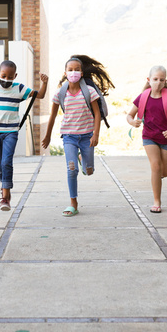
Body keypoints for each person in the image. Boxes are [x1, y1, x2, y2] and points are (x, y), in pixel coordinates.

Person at [41, 55, 114, 216]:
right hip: (69, 137)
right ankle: (73, 203)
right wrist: (47, 136)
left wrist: (96, 134)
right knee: (71, 169)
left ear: (81, 73)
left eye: (77, 70)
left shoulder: (89, 91)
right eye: (70, 70)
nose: (73, 72)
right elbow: (52, 116)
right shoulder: (60, 93)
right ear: (65, 72)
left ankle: (83, 160)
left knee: (89, 171)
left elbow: (97, 113)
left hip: (87, 136)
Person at [0, 61, 48, 210]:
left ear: (15, 76)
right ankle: (4, 184)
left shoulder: (19, 88)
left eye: (10, 77)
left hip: (11, 132)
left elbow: (40, 95)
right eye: (4, 75)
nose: (6, 79)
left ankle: (5, 196)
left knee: (6, 161)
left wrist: (44, 83)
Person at [126, 66, 167, 213]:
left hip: (166, 138)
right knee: (155, 166)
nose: (158, 82)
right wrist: (133, 122)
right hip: (149, 136)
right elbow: (129, 115)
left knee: (165, 171)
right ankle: (157, 201)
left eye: (161, 80)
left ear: (165, 81)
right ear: (149, 80)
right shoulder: (143, 96)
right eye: (155, 79)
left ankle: (158, 178)